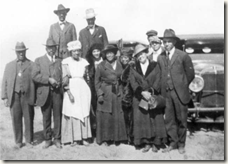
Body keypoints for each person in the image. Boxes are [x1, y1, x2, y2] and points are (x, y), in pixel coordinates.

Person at [157, 29, 195, 154]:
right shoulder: (161, 57)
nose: (166, 44)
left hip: (179, 93)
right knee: (169, 119)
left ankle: (181, 144)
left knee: (182, 119)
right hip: (166, 93)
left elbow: (190, 74)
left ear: (174, 42)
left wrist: (182, 86)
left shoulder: (183, 56)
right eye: (164, 42)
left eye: (169, 41)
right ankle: (173, 142)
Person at [129, 44, 167, 153]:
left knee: (155, 118)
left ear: (146, 53)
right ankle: (146, 142)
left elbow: (158, 79)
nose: (141, 56)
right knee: (143, 119)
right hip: (140, 97)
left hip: (152, 96)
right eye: (138, 55)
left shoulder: (155, 65)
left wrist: (150, 92)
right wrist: (141, 92)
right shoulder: (133, 67)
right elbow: (133, 82)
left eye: (142, 54)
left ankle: (156, 143)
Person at [1, 42, 35, 148]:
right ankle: (18, 141)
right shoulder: (9, 65)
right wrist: (4, 97)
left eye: (23, 51)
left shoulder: (31, 64)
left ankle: (29, 140)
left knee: (28, 118)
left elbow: (35, 81)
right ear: (16, 52)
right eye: (19, 52)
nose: (21, 53)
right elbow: (5, 82)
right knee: (16, 118)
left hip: (27, 96)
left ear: (25, 51)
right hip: (14, 96)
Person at [32, 38, 63, 149]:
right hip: (44, 94)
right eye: (49, 48)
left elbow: (63, 75)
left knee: (58, 116)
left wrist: (60, 82)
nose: (51, 50)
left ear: (56, 48)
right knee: (46, 117)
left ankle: (57, 139)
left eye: (53, 48)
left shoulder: (60, 60)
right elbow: (35, 76)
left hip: (57, 93)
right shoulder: (39, 60)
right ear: (46, 48)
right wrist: (48, 79)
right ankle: (48, 139)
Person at [95, 45, 127, 145]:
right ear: (104, 54)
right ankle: (106, 139)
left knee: (117, 113)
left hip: (117, 91)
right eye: (107, 53)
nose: (109, 55)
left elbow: (124, 77)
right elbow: (96, 82)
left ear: (114, 53)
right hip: (106, 92)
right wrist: (100, 94)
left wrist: (124, 91)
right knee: (106, 115)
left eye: (111, 53)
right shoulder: (101, 65)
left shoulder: (120, 64)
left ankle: (117, 138)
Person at [61, 40, 92, 146]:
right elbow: (64, 78)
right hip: (71, 87)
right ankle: (72, 138)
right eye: (74, 51)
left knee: (83, 110)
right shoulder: (66, 62)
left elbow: (87, 77)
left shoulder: (84, 62)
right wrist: (69, 92)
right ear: (70, 52)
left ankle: (83, 137)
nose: (77, 53)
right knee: (72, 111)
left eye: (78, 51)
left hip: (83, 88)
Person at [85, 43, 104, 138]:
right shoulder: (89, 62)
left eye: (98, 51)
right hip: (92, 87)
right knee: (93, 108)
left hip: (103, 85)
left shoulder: (104, 60)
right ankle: (94, 130)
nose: (96, 53)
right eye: (94, 51)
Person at [119, 49, 134, 144]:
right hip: (125, 93)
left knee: (131, 117)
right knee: (126, 117)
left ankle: (131, 137)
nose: (124, 59)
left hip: (130, 94)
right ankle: (127, 137)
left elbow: (124, 79)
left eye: (126, 58)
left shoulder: (131, 66)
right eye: (122, 58)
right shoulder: (122, 66)